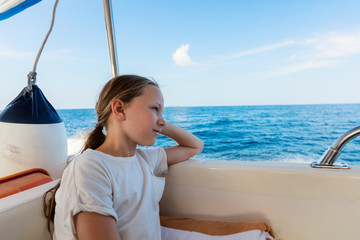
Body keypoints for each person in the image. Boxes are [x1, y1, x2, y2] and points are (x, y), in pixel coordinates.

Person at [51, 75, 204, 240]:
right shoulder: (90, 168)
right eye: (154, 108)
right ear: (119, 109)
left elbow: (195, 146)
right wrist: (155, 123)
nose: (162, 121)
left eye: (162, 112)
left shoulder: (145, 160)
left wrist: (158, 122)